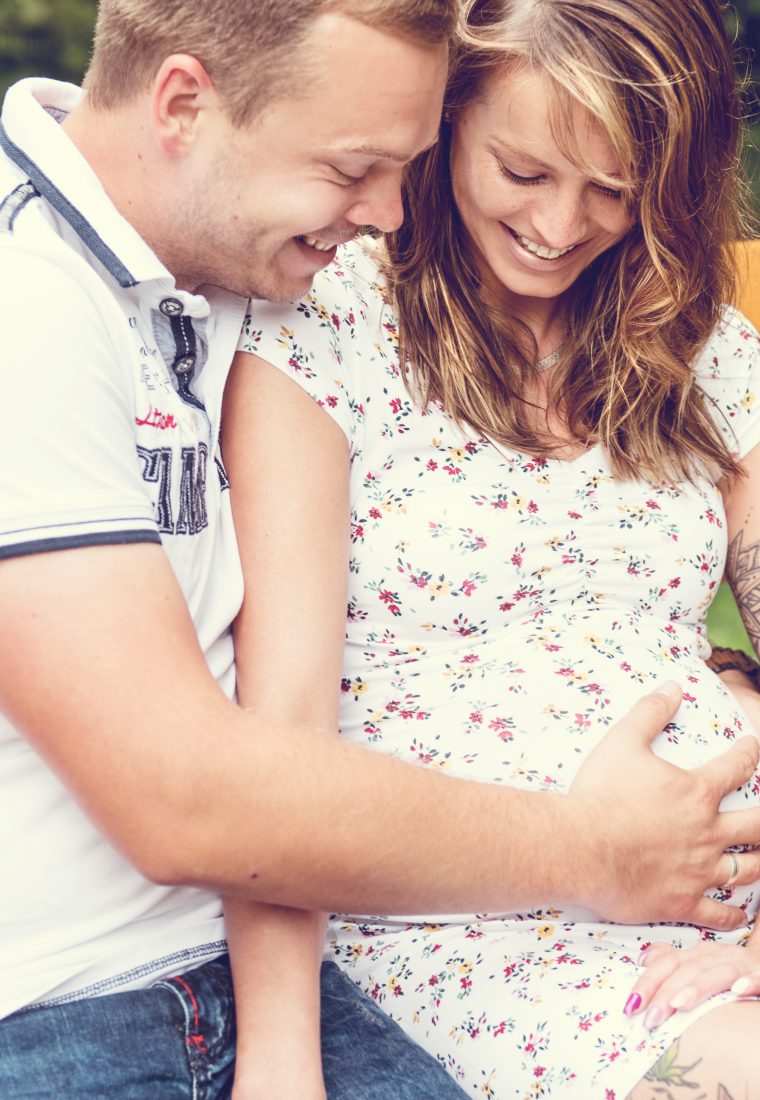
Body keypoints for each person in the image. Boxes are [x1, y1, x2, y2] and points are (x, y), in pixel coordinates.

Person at [1, 1, 759, 1098]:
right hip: (463, 937)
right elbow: (249, 759)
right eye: (523, 168)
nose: (561, 223)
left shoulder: (694, 343)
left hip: (712, 907)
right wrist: (284, 1058)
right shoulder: (305, 316)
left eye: (613, 188)